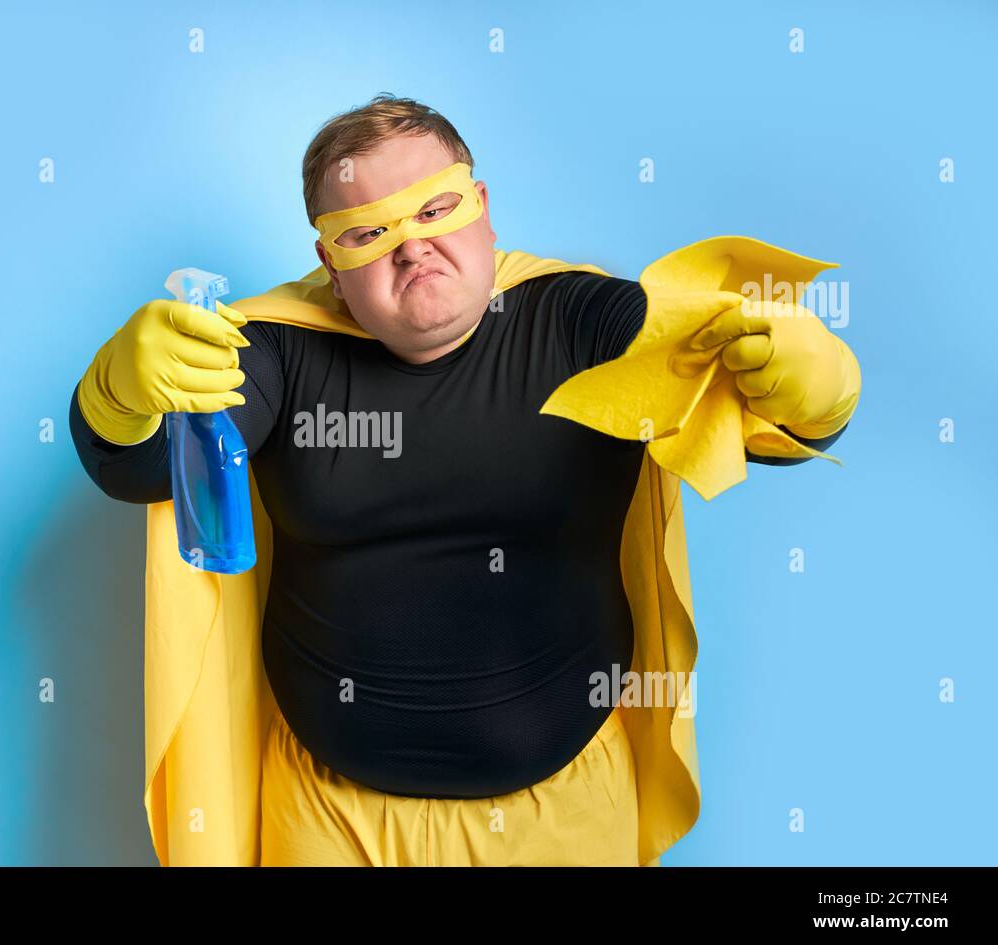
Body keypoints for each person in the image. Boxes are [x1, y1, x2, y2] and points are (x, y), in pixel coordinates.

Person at [69, 94, 860, 866]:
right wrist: (115, 394)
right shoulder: (277, 345)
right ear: (330, 264)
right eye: (369, 232)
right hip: (330, 820)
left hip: (568, 812)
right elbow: (151, 469)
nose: (411, 248)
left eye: (433, 210)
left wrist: (813, 393)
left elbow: (745, 420)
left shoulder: (580, 317)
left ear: (481, 207)